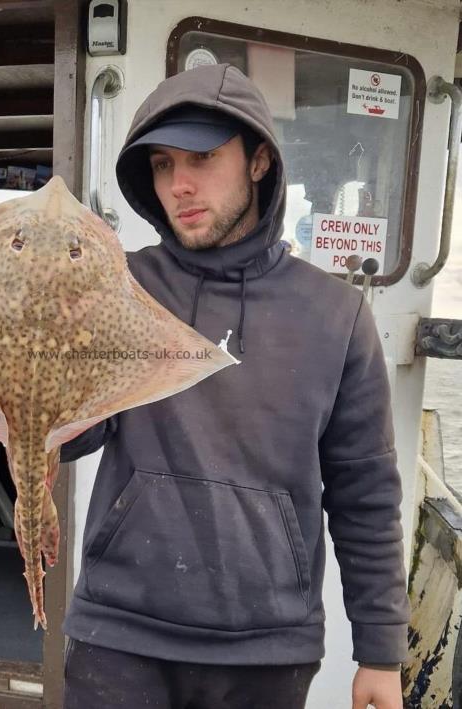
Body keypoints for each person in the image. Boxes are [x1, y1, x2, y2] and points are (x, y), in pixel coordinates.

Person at [60, 63, 409, 709]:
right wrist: (17, 378)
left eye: (202, 157)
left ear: (259, 162)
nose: (179, 184)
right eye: (162, 164)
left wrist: (380, 652)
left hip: (266, 650)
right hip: (119, 636)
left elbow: (365, 494)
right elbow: (66, 437)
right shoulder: (116, 286)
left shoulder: (336, 314)